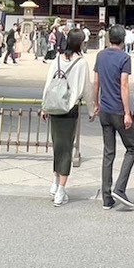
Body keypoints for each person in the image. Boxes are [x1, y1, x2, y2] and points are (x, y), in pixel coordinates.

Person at [40, 28, 90, 208]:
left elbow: (48, 84)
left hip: (54, 107)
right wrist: (92, 109)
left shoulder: (57, 59)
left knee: (58, 146)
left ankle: (55, 182)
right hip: (69, 108)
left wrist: (44, 106)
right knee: (66, 148)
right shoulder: (81, 63)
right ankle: (61, 189)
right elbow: (86, 89)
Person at [92, 24, 134, 209]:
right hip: (119, 110)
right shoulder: (125, 58)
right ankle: (119, 188)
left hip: (104, 110)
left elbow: (96, 82)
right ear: (123, 40)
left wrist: (96, 104)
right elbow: (124, 85)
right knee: (132, 148)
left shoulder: (100, 56)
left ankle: (106, 197)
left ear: (109, 38)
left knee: (108, 152)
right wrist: (127, 113)